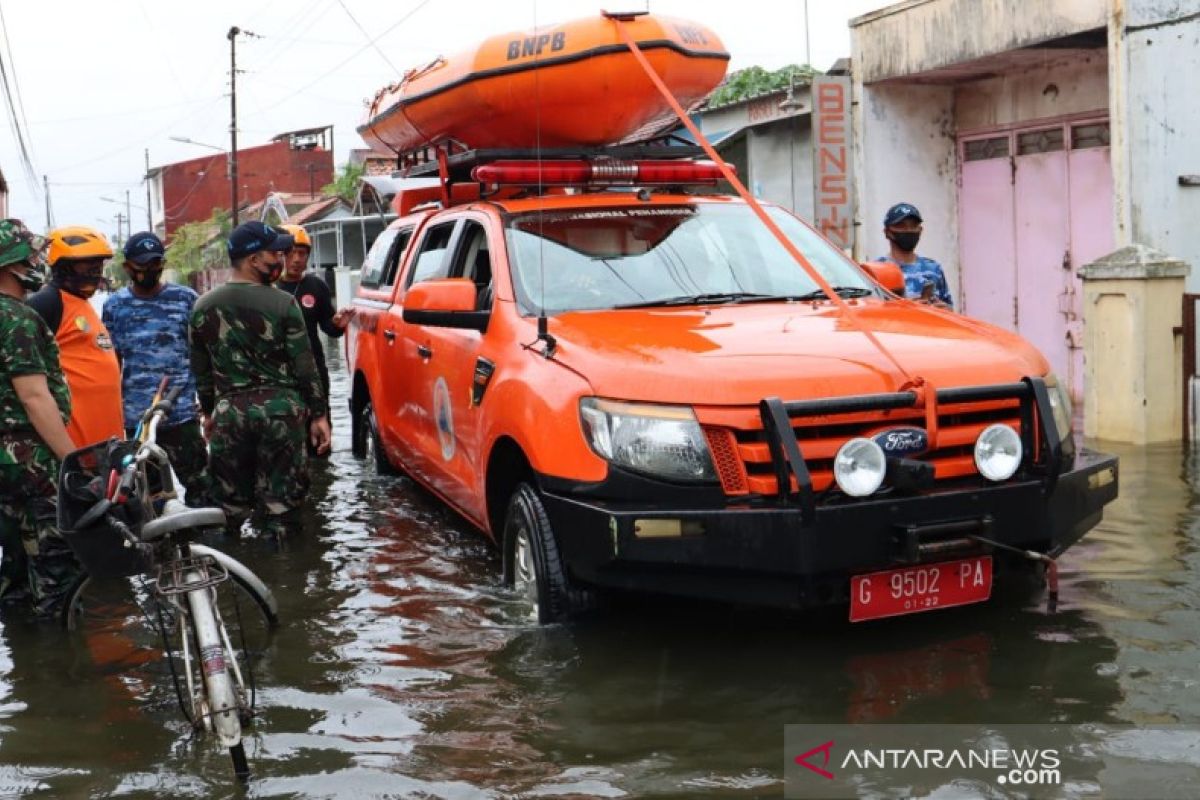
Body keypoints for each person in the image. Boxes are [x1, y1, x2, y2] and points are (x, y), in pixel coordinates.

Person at [189, 221, 330, 537]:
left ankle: (232, 579)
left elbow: (201, 372)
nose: (282, 259)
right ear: (253, 259)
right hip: (282, 414)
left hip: (230, 416)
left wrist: (210, 413)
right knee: (282, 511)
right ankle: (285, 578)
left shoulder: (202, 306)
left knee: (228, 511)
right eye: (276, 253)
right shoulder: (283, 303)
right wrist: (319, 415)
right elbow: (305, 366)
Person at [0, 219, 82, 616]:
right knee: (56, 569)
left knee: (14, 567)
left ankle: (27, 663)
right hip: (30, 457)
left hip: (5, 461)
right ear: (10, 264)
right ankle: (65, 666)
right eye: (32, 255)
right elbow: (34, 397)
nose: (38, 261)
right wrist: (72, 460)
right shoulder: (18, 318)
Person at [102, 232, 208, 503]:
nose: (149, 271)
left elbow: (202, 353)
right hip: (138, 421)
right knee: (149, 494)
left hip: (181, 412)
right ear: (128, 267)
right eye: (142, 266)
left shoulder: (186, 299)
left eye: (155, 264)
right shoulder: (115, 306)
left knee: (202, 486)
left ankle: (206, 539)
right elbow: (111, 362)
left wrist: (208, 403)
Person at [27, 226, 124, 447]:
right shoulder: (48, 303)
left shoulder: (82, 304)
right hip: (74, 450)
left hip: (104, 447)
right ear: (63, 267)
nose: (95, 271)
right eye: (87, 264)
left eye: (98, 265)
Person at [277, 224, 354, 453]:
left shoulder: (316, 286)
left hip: (314, 370)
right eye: (291, 253)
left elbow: (329, 327)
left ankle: (322, 481)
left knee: (319, 435)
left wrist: (338, 323)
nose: (297, 259)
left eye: (302, 254)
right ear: (279, 255)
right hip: (279, 375)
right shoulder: (269, 288)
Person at [877, 203, 953, 308]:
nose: (908, 230)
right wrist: (905, 308)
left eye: (913, 226)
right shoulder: (876, 270)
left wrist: (943, 310)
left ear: (920, 230)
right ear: (887, 232)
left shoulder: (933, 269)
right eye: (901, 226)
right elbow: (870, 314)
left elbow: (950, 309)